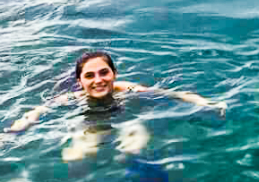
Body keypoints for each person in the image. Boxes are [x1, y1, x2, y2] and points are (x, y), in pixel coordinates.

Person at [6, 51, 227, 161]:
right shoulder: (72, 98)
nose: (98, 80)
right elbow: (36, 112)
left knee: (134, 148)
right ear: (80, 81)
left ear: (114, 74)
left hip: (122, 116)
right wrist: (14, 131)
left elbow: (173, 94)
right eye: (89, 75)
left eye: (104, 72)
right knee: (75, 156)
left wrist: (206, 103)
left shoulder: (128, 89)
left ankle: (146, 179)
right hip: (91, 120)